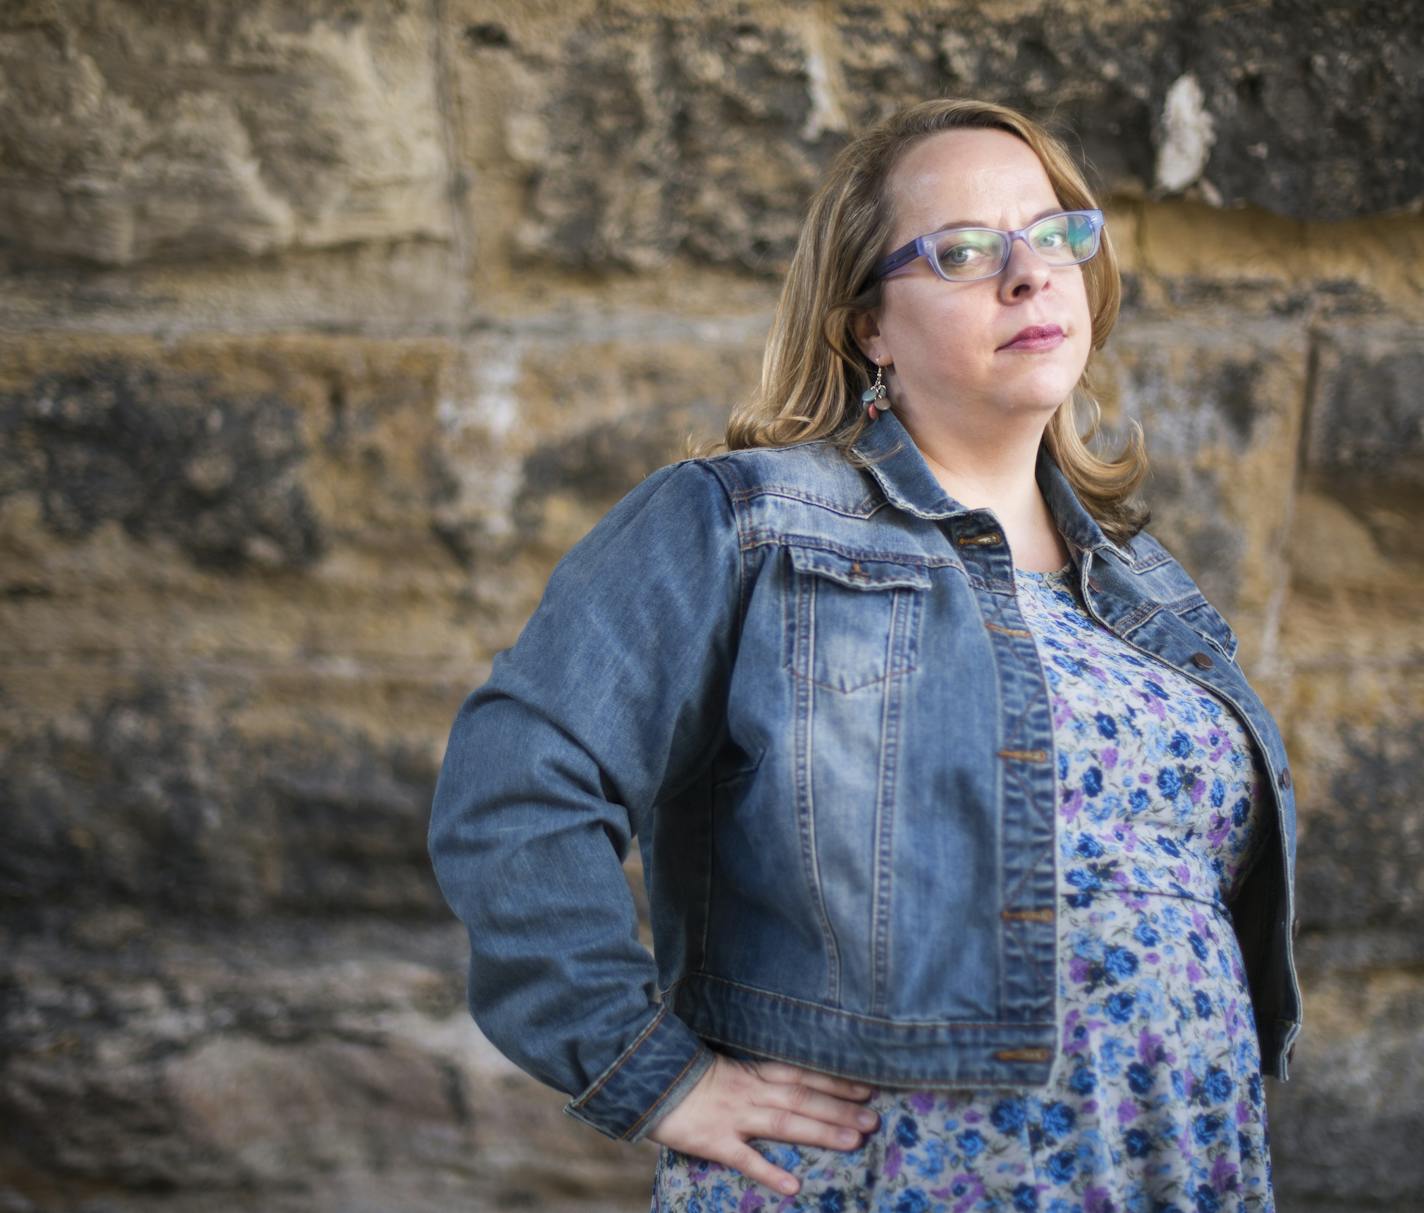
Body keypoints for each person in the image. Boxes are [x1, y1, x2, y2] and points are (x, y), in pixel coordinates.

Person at [428, 97, 1301, 1211]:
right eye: (963, 251)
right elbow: (515, 784)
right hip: (901, 1173)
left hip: (1168, 1156)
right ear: (866, 326)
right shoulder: (742, 523)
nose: (1028, 275)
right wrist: (649, 1075)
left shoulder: (1139, 583)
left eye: (1053, 234)